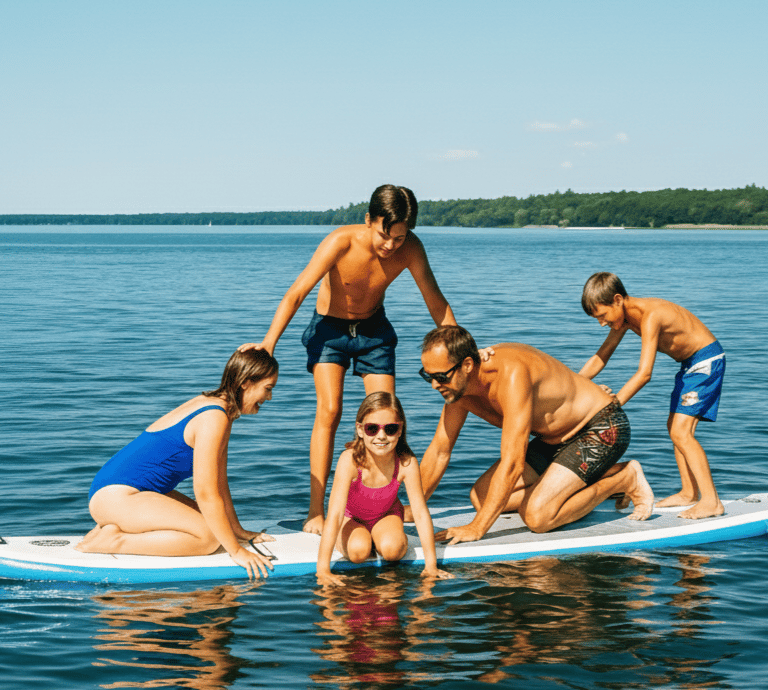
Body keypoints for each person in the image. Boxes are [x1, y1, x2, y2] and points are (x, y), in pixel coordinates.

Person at [241, 184, 456, 535]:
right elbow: (297, 293)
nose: (391, 246)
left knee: (387, 415)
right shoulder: (340, 242)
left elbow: (435, 300)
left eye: (400, 239)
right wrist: (269, 343)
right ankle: (316, 510)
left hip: (373, 332)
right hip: (330, 331)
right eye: (385, 235)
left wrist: (463, 351)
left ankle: (384, 506)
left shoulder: (411, 249)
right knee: (330, 411)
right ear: (369, 219)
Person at [414, 325, 653, 544]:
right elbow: (439, 451)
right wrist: (414, 507)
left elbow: (512, 464)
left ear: (467, 365)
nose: (435, 385)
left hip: (600, 428)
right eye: (428, 377)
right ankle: (569, 488)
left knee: (537, 517)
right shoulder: (458, 390)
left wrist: (477, 528)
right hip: (553, 440)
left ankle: (624, 479)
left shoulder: (511, 375)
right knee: (481, 497)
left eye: (440, 377)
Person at [77, 349, 279, 579]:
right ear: (246, 382)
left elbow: (220, 483)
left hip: (124, 492)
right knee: (209, 539)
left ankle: (113, 527)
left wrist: (238, 532)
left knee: (217, 526)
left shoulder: (216, 407)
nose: (269, 398)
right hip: (117, 497)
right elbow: (205, 492)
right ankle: (113, 540)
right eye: (268, 388)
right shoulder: (214, 417)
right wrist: (236, 551)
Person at [579, 271, 726, 519]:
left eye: (602, 315)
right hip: (689, 365)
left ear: (617, 300)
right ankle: (689, 492)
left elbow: (645, 373)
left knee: (681, 431)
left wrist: (613, 404)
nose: (601, 323)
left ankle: (711, 501)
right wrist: (576, 383)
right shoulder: (624, 319)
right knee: (675, 429)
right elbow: (602, 355)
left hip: (705, 360)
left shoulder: (651, 316)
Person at [316, 392, 453, 585]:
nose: (381, 436)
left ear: (400, 430)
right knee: (358, 551)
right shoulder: (349, 460)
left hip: (385, 515)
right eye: (372, 428)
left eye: (390, 429)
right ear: (360, 429)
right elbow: (335, 514)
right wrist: (322, 569)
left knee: (393, 550)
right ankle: (366, 538)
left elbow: (420, 514)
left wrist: (431, 566)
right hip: (351, 517)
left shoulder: (406, 462)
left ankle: (382, 537)